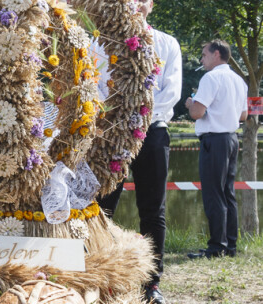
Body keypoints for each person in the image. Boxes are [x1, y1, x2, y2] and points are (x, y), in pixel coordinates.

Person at [95, 0, 182, 302]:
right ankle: (100, 276)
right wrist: (118, 117)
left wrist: (139, 115)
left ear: (151, 5)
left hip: (153, 131)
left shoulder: (167, 43)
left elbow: (171, 91)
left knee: (153, 209)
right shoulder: (101, 41)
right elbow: (96, 85)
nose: (135, 4)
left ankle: (151, 284)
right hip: (112, 132)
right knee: (102, 205)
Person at [185, 40, 247, 259]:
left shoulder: (211, 78)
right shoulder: (239, 80)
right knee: (228, 194)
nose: (202, 59)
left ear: (216, 54)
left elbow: (197, 113)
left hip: (214, 140)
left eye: (204, 54)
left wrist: (191, 103)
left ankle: (216, 247)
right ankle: (229, 246)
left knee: (213, 194)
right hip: (231, 138)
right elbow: (243, 116)